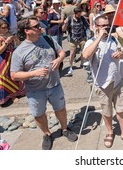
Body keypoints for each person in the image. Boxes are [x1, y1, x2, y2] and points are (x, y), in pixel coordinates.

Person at [10, 17, 78, 150]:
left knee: (61, 109)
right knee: (39, 114)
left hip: (55, 85)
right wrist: (34, 73)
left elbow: (61, 51)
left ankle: (65, 129)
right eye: (36, 26)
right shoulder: (19, 52)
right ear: (27, 31)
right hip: (35, 91)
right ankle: (47, 134)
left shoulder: (47, 39)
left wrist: (59, 59)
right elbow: (14, 75)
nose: (40, 28)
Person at [82, 15, 123, 148]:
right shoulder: (90, 41)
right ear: (96, 27)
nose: (106, 28)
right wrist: (98, 38)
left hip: (117, 81)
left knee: (121, 109)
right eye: (102, 26)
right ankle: (109, 132)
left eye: (107, 26)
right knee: (107, 111)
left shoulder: (113, 39)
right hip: (102, 84)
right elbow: (85, 55)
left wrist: (121, 54)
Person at [0, 20, 25, 106]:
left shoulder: (9, 34)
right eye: (3, 27)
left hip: (13, 56)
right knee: (5, 76)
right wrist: (6, 41)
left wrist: (16, 39)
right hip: (3, 58)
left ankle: (17, 92)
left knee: (14, 74)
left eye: (6, 27)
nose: (5, 29)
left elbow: (18, 45)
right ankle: (10, 96)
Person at [62, 7, 89, 76]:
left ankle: (82, 64)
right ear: (75, 13)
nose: (80, 16)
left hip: (82, 38)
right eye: (78, 15)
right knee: (72, 53)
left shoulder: (82, 18)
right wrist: (65, 24)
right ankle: (70, 67)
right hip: (73, 39)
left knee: (83, 52)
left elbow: (87, 25)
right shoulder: (70, 18)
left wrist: (91, 30)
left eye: (80, 14)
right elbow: (63, 29)